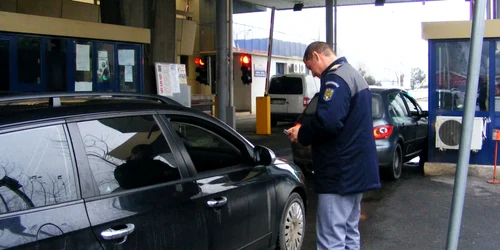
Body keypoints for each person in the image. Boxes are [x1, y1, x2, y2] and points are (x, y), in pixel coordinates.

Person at [286, 41, 381, 250]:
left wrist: (302, 133)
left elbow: (328, 122)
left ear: (317, 56)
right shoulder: (353, 75)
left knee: (331, 240)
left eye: (310, 67)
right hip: (356, 172)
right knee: (349, 233)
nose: (313, 74)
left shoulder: (335, 79)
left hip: (339, 174)